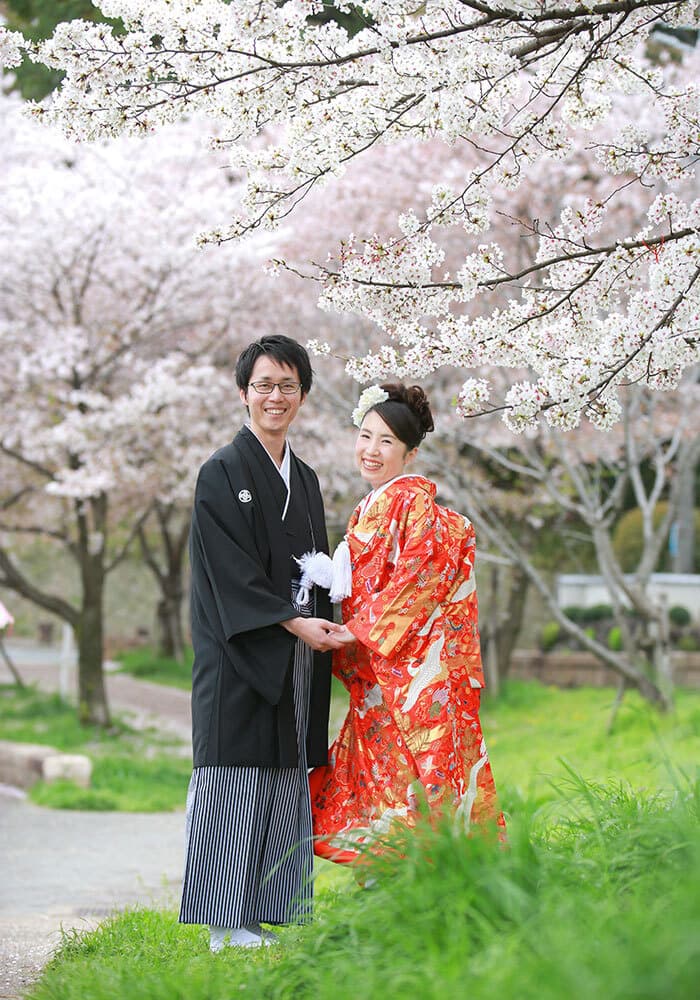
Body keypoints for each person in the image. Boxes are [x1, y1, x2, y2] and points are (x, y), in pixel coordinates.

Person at [179, 335, 344, 950]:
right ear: (244, 392)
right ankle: (225, 923)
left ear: (302, 393)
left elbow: (316, 566)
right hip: (239, 650)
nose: (275, 397)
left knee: (284, 776)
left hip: (295, 654)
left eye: (288, 386)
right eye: (264, 386)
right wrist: (294, 621)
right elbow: (231, 572)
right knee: (233, 776)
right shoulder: (222, 471)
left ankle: (267, 911)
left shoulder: (303, 477)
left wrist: (326, 619)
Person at [307, 383, 504, 862]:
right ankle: (397, 891)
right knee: (386, 782)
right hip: (383, 671)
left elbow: (423, 572)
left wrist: (360, 628)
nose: (371, 451)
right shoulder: (371, 505)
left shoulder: (412, 504)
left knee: (419, 777)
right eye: (366, 436)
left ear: (411, 453)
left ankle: (439, 886)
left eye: (387, 442)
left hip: (412, 674)